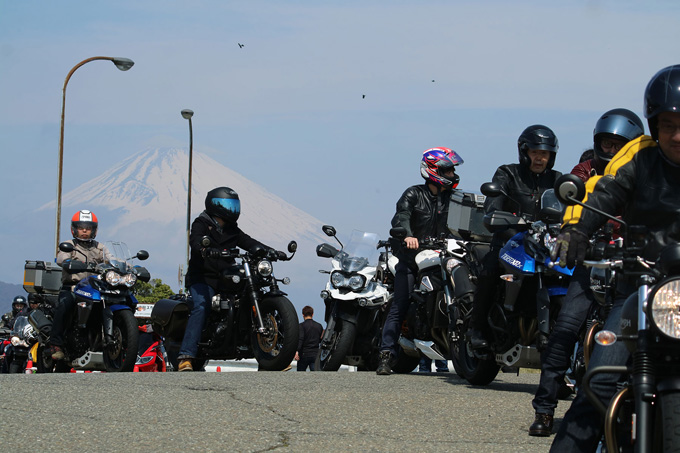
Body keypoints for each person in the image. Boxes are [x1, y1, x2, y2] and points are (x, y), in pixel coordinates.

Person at [550, 64, 680, 451]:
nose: (677, 134)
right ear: (654, 126)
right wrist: (576, 230)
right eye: (668, 124)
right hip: (640, 287)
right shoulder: (638, 156)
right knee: (601, 380)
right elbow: (600, 193)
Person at [528, 109, 644, 437]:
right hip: (592, 257)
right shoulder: (586, 168)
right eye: (606, 143)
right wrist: (573, 230)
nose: (610, 150)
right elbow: (578, 197)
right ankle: (545, 410)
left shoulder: (642, 169)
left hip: (633, 263)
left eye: (619, 144)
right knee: (565, 328)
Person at [467, 125, 562, 350]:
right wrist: (504, 219)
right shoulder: (508, 174)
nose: (540, 158)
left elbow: (569, 208)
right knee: (490, 270)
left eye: (545, 153)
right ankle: (476, 328)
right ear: (524, 152)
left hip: (546, 246)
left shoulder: (558, 180)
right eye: (535, 152)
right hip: (510, 241)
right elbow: (493, 205)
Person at [376, 147, 464, 375]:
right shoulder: (413, 194)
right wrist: (407, 234)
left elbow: (466, 221)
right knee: (401, 303)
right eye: (447, 169)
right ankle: (386, 354)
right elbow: (401, 216)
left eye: (453, 170)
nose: (452, 174)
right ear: (432, 170)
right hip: (412, 257)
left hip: (444, 255)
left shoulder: (455, 198)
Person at [178, 187, 285, 372]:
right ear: (214, 204)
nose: (231, 209)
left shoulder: (231, 229)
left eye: (234, 205)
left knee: (248, 300)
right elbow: (195, 240)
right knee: (201, 306)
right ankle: (186, 356)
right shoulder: (201, 223)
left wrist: (269, 250)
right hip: (204, 278)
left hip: (227, 277)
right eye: (227, 205)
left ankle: (269, 356)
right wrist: (205, 249)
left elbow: (248, 241)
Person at [50, 210, 112, 360]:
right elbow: (61, 259)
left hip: (94, 288)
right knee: (64, 305)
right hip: (73, 287)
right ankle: (55, 344)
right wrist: (68, 262)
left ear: (94, 230)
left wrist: (126, 266)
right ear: (74, 229)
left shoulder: (100, 247)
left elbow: (111, 259)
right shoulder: (69, 245)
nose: (84, 230)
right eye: (81, 227)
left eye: (88, 227)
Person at [295, 305, 323, 371]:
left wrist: (296, 351)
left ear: (303, 314)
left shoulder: (301, 326)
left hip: (304, 354)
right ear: (312, 314)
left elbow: (300, 339)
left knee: (300, 376)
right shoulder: (319, 326)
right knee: (314, 376)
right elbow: (320, 340)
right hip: (315, 354)